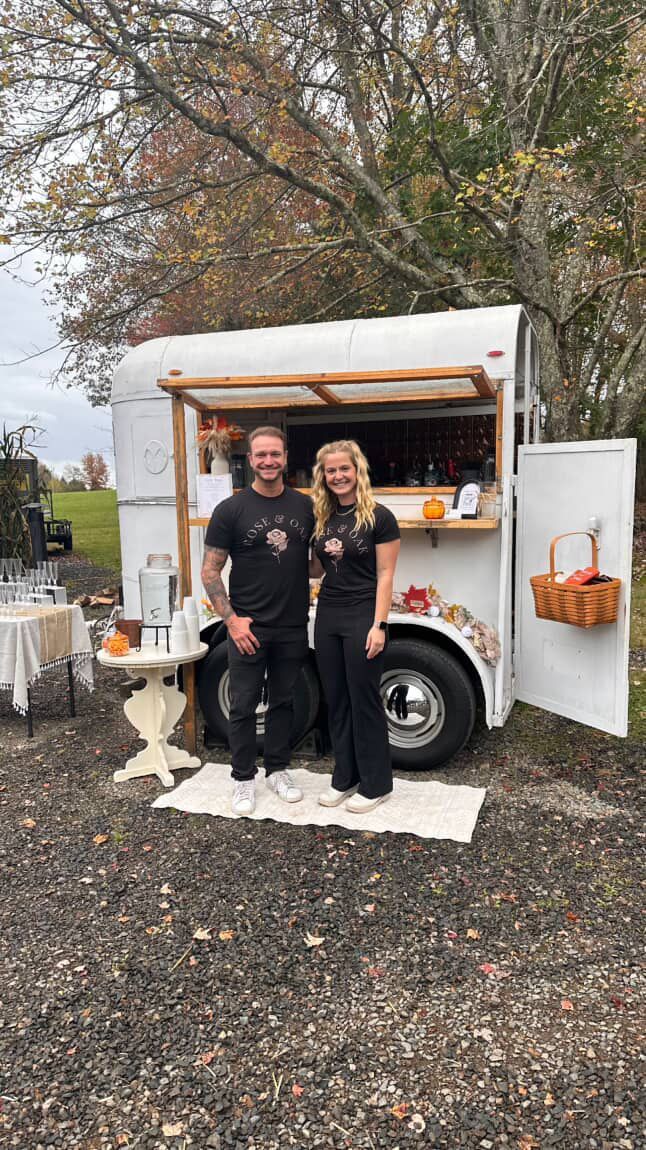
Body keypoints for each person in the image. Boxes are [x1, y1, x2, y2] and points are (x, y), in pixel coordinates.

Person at [201, 426, 314, 815]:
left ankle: (278, 769)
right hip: (247, 626)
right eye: (261, 455)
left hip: (292, 624)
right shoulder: (230, 510)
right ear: (249, 460)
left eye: (275, 454)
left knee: (284, 701)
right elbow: (210, 572)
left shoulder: (306, 506)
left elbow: (315, 563)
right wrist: (232, 622)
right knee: (245, 703)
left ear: (286, 458)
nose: (269, 461)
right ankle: (243, 778)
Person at [310, 439, 400, 812]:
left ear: (357, 470)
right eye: (330, 471)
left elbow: (385, 574)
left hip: (363, 614)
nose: (338, 476)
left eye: (344, 469)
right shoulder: (322, 518)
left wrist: (379, 625)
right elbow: (316, 571)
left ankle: (376, 783)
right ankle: (344, 777)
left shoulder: (379, 516)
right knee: (336, 699)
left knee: (363, 699)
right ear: (323, 476)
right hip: (328, 613)